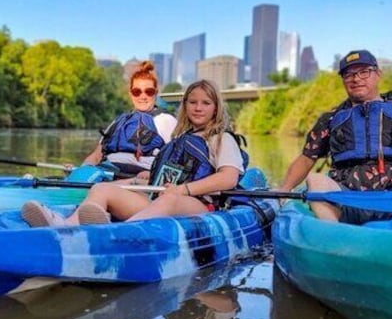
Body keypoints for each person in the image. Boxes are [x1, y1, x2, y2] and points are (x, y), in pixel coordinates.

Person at [21, 79, 246, 226]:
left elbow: (228, 177)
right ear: (185, 105)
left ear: (215, 107)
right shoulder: (180, 138)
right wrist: (150, 176)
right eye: (193, 102)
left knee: (168, 199)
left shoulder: (221, 138)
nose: (198, 107)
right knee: (102, 188)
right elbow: (172, 174)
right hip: (160, 200)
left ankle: (119, 234)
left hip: (199, 206)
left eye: (206, 103)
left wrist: (183, 189)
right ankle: (65, 226)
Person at [276, 49, 392, 223]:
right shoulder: (330, 119)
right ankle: (331, 234)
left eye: (364, 72)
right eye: (349, 75)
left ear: (378, 74)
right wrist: (284, 190)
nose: (356, 79)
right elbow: (307, 158)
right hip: (346, 198)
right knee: (315, 179)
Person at [79, 60, 177, 177]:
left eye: (149, 91)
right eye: (137, 92)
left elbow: (177, 161)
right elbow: (96, 156)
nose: (143, 96)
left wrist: (153, 175)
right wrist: (80, 171)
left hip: (138, 180)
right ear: (131, 93)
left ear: (155, 93)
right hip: (106, 173)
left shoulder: (165, 120)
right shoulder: (119, 121)